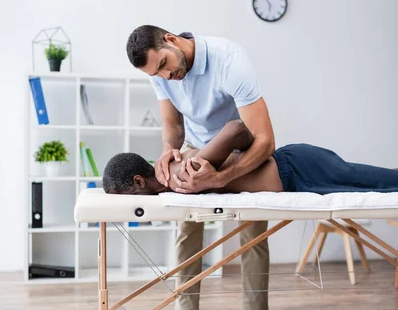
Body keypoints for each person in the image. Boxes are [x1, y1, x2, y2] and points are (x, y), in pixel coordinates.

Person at [125, 25, 278, 310]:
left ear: (171, 40)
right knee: (187, 227)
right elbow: (174, 128)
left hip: (243, 147)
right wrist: (168, 150)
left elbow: (265, 140)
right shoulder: (160, 74)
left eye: (165, 65)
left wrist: (222, 178)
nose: (167, 76)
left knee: (253, 228)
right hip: (198, 148)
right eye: (158, 73)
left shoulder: (230, 60)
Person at [103, 119, 398, 197]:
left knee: (378, 180)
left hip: (295, 167)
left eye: (124, 195)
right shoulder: (172, 182)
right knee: (373, 181)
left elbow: (236, 129)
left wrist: (218, 177)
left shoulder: (183, 171)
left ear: (138, 181)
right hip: (295, 180)